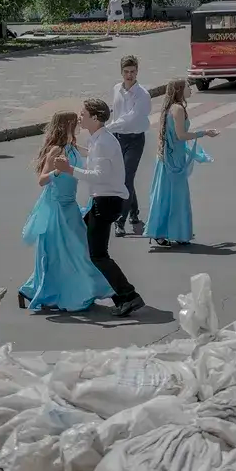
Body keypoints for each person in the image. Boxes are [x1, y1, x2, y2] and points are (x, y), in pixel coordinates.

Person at [18, 112, 113, 315]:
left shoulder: (73, 147)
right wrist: (57, 172)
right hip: (58, 207)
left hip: (70, 205)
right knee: (68, 251)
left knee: (76, 250)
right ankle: (53, 290)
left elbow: (93, 153)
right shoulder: (56, 150)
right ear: (66, 126)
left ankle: (35, 289)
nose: (79, 124)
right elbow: (42, 180)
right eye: (75, 122)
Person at [70, 97, 145, 318]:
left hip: (107, 201)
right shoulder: (98, 139)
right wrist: (78, 150)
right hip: (103, 200)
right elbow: (95, 157)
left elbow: (99, 175)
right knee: (85, 244)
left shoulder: (102, 141)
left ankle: (129, 296)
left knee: (98, 254)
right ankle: (111, 293)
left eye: (83, 113)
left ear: (95, 117)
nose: (80, 116)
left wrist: (69, 169)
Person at [145, 79, 218, 249]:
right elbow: (181, 135)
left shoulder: (172, 108)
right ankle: (170, 232)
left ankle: (168, 233)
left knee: (166, 195)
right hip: (173, 160)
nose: (190, 90)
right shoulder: (177, 109)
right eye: (187, 87)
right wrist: (204, 133)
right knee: (175, 196)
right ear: (180, 90)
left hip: (169, 156)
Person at [107, 55, 151, 238]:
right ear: (121, 72)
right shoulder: (116, 89)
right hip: (118, 138)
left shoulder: (143, 95)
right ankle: (134, 212)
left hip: (134, 139)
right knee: (124, 177)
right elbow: (116, 113)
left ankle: (120, 220)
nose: (129, 75)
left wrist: (107, 128)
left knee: (125, 178)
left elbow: (131, 117)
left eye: (132, 72)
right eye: (126, 72)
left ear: (137, 72)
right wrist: (110, 131)